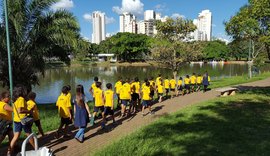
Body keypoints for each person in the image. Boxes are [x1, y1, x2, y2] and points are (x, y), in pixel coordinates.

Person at [10, 86, 35, 155]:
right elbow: (20, 111)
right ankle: (36, 149)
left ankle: (9, 152)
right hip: (23, 120)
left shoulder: (15, 99)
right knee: (29, 135)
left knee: (15, 137)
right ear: (22, 92)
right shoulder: (21, 99)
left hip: (16, 120)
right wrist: (29, 111)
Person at [0, 91, 13, 155]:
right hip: (5, 124)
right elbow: (13, 109)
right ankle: (9, 151)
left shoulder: (0, 103)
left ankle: (9, 151)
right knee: (1, 138)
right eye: (8, 97)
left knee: (12, 137)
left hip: (6, 123)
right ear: (3, 98)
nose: (9, 98)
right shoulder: (4, 104)